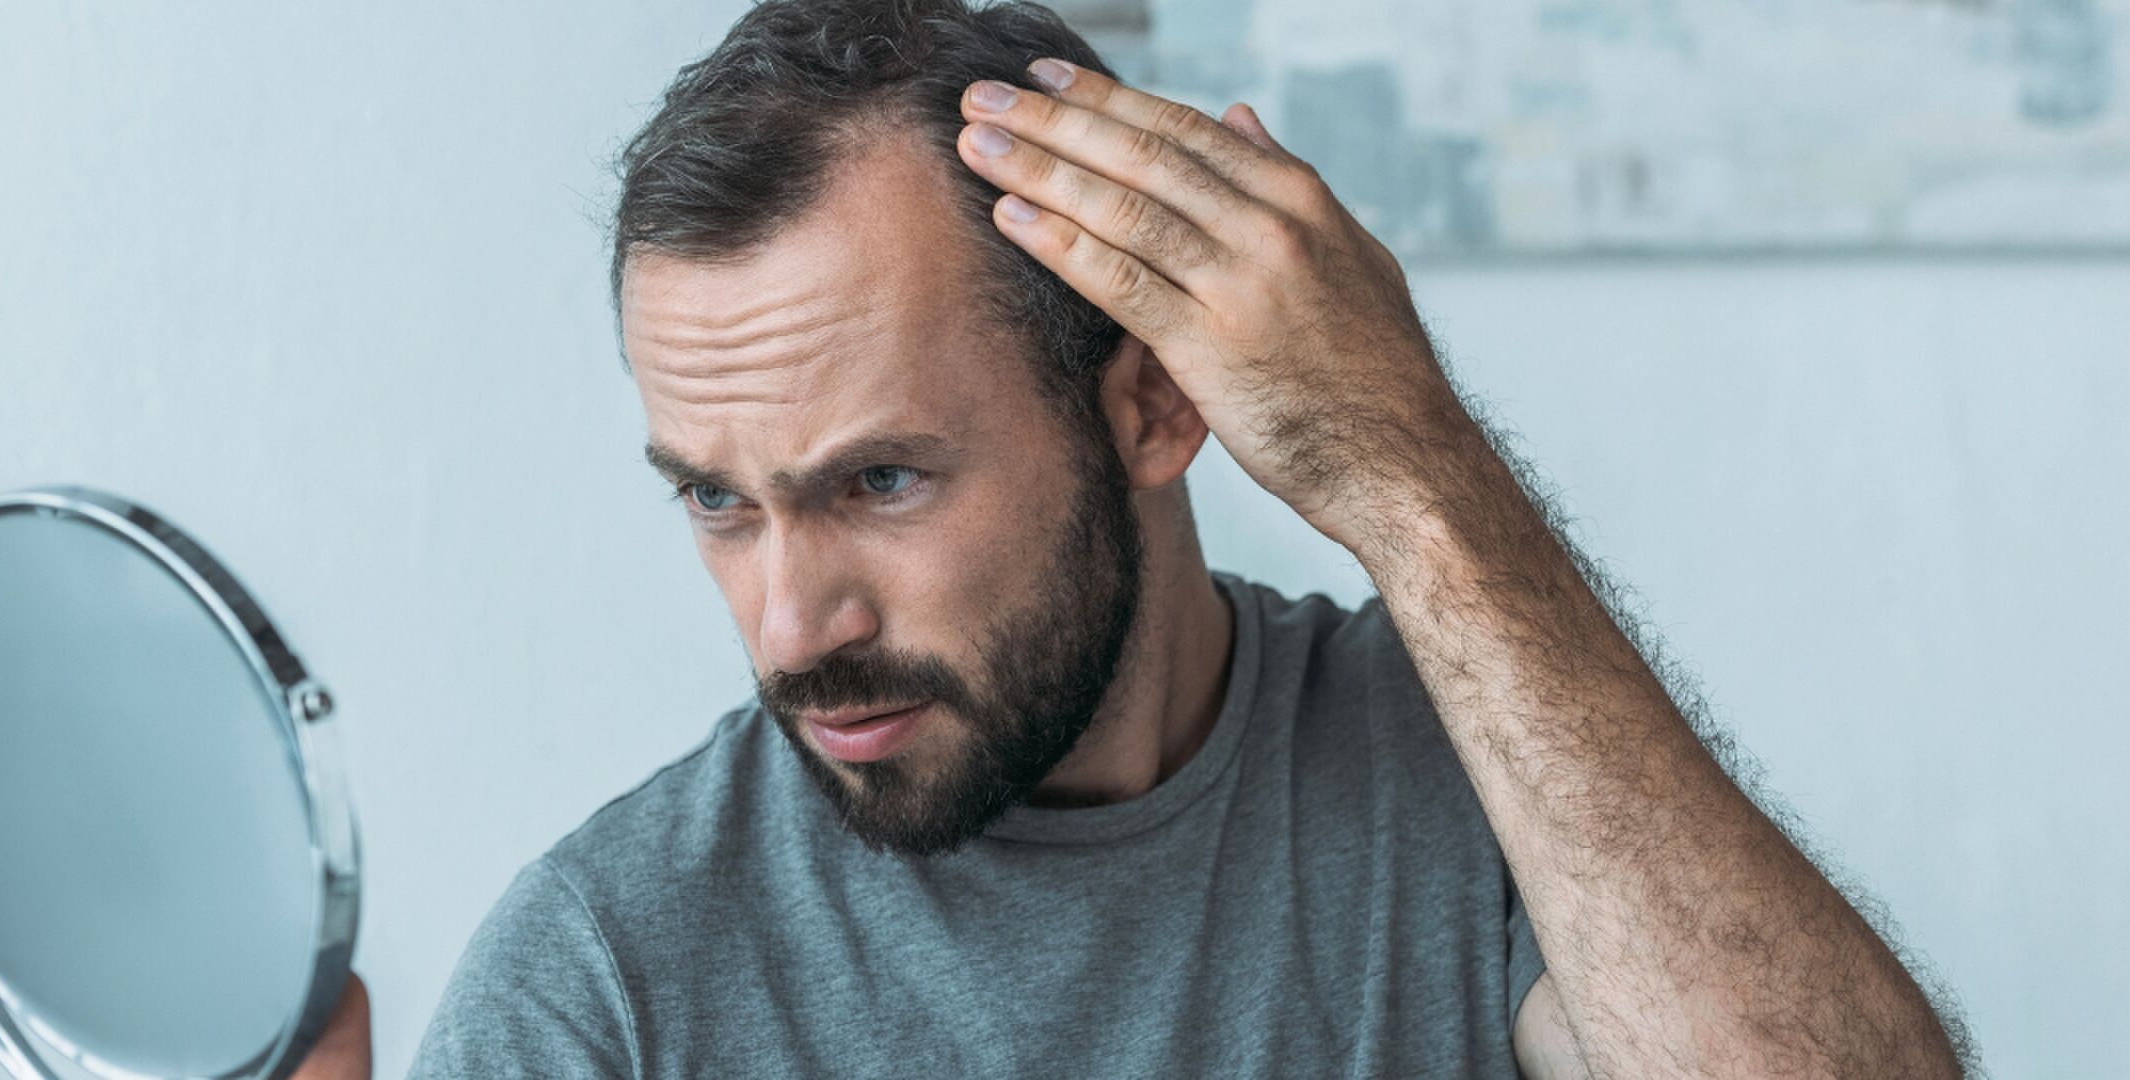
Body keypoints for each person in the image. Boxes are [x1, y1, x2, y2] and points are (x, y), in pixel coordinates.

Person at [303, 1, 1967, 1075]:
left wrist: (1414, 471)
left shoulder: (1464, 767)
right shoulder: (614, 973)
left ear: (1154, 411)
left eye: (878, 481)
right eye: (718, 499)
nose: (788, 624)